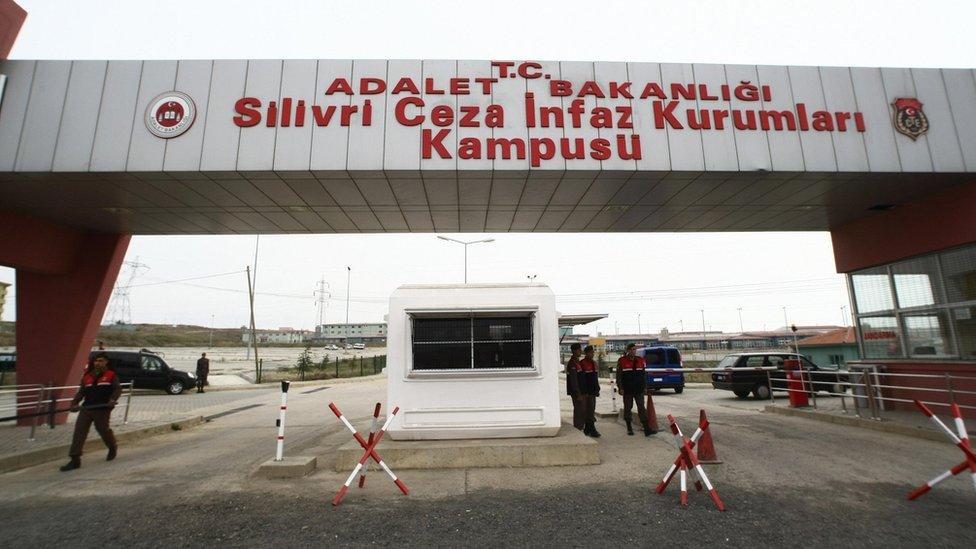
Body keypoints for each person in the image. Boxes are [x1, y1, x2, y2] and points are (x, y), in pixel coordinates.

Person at [60, 352, 121, 471]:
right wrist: (74, 404)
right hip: (87, 408)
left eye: (101, 360)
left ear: (106, 362)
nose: (98, 363)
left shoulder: (111, 375)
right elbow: (81, 393)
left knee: (103, 430)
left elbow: (117, 389)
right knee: (79, 432)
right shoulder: (87, 376)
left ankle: (112, 446)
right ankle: (75, 459)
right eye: (96, 361)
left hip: (102, 409)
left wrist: (112, 400)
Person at [616, 343, 655, 436]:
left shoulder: (640, 360)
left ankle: (647, 429)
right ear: (628, 350)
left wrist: (645, 387)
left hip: (639, 389)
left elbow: (644, 375)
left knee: (641, 407)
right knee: (628, 408)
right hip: (627, 389)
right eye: (632, 349)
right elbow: (619, 376)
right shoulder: (622, 361)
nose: (633, 351)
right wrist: (620, 388)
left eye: (635, 349)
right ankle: (629, 428)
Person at [578, 345, 601, 437]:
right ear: (586, 353)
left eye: (593, 352)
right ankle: (592, 429)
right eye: (591, 352)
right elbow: (581, 379)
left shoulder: (594, 363)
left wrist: (597, 388)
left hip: (593, 390)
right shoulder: (582, 363)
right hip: (586, 392)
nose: (593, 354)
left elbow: (595, 378)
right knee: (589, 411)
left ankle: (587, 429)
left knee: (592, 409)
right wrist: (584, 392)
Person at [565, 343, 585, 431]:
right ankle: (578, 429)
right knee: (579, 412)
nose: (581, 351)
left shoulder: (577, 362)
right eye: (579, 350)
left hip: (581, 391)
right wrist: (578, 393)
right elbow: (573, 380)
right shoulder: (572, 363)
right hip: (577, 393)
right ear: (574, 351)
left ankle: (580, 428)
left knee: (582, 411)